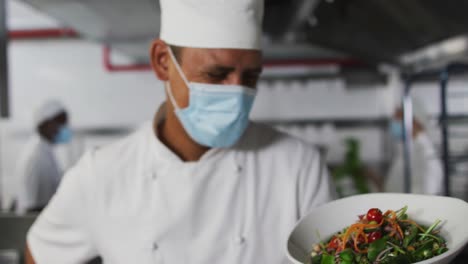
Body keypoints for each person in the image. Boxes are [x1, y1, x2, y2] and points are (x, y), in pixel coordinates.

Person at [25, 0, 335, 263]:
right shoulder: (101, 175)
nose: (237, 93)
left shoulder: (298, 167)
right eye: (217, 74)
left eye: (250, 77)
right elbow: (38, 254)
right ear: (162, 62)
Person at [15, 100, 72, 214]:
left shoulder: (44, 150)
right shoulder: (36, 156)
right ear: (46, 124)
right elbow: (35, 206)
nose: (65, 128)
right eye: (61, 123)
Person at [385, 99, 443, 195]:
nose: (394, 122)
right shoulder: (407, 150)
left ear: (415, 121)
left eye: (398, 117)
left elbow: (424, 200)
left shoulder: (427, 157)